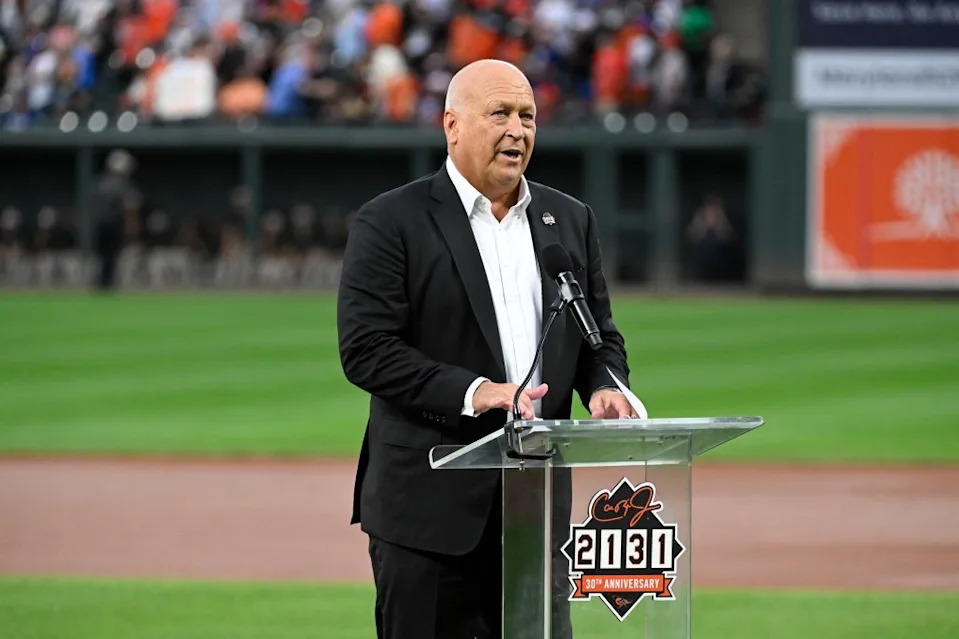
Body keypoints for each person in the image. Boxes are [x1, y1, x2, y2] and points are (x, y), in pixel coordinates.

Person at [337, 58, 635, 639]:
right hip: (427, 517)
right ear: (452, 125)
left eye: (528, 116)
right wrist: (478, 393)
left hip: (536, 514)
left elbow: (598, 334)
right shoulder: (390, 221)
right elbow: (367, 349)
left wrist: (605, 385)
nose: (518, 130)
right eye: (499, 113)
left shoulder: (569, 220)